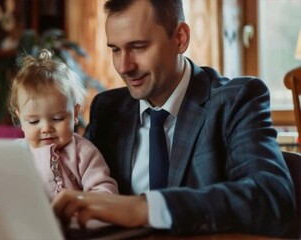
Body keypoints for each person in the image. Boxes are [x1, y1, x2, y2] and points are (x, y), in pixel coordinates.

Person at [52, 0, 295, 237]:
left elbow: (271, 199)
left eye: (138, 47)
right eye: (115, 49)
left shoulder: (236, 101)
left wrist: (142, 208)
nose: (124, 66)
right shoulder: (107, 109)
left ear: (180, 38)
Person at [8, 49, 118, 200]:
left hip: (74, 221)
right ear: (21, 119)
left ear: (75, 113)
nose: (46, 128)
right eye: (34, 121)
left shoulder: (83, 152)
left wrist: (82, 205)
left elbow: (106, 192)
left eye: (58, 118)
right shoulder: (15, 153)